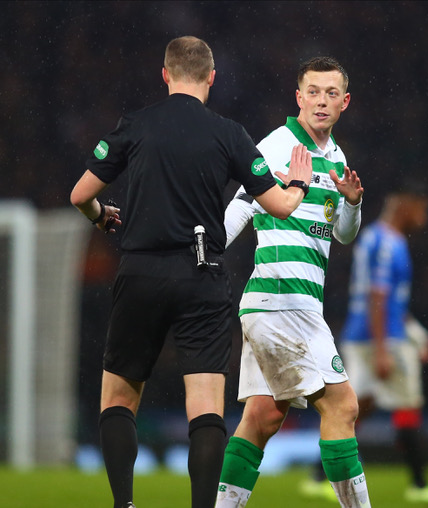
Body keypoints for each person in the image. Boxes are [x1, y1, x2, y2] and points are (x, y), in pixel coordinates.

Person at [70, 36, 312, 508]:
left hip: (140, 272)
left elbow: (80, 195)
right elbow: (282, 206)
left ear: (165, 74)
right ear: (212, 78)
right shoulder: (228, 133)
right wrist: (299, 181)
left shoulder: (136, 125)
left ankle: (124, 504)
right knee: (204, 407)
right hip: (202, 274)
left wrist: (100, 217)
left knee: (118, 399)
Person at [215, 57, 372, 508]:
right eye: (313, 92)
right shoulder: (278, 145)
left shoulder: (336, 157)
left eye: (331, 93)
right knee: (343, 407)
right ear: (298, 97)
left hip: (288, 303)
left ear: (344, 102)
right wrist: (206, 253)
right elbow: (242, 204)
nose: (321, 101)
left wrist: (353, 204)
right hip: (282, 299)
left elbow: (342, 235)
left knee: (262, 417)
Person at [336, 183, 428, 504]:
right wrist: (383, 349)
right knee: (407, 404)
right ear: (403, 204)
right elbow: (378, 297)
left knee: (357, 407)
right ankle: (420, 485)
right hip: (382, 337)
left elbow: (388, 298)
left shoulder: (372, 237)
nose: (424, 216)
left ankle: (318, 476)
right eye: (421, 207)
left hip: (361, 333)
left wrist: (416, 332)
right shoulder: (388, 244)